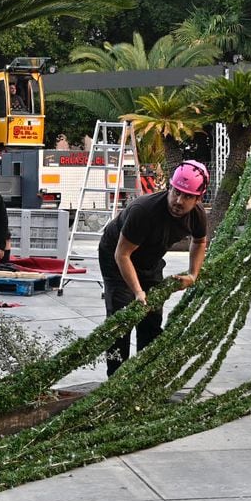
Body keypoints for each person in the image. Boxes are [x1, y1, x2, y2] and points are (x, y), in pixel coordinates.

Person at [99, 159, 211, 376]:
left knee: (152, 316)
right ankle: (116, 380)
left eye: (187, 196)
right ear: (169, 187)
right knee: (121, 318)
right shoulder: (144, 210)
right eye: (176, 192)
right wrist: (137, 291)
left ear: (198, 198)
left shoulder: (197, 215)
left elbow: (199, 242)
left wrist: (193, 274)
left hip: (150, 260)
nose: (178, 200)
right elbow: (122, 254)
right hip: (117, 257)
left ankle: (144, 375)